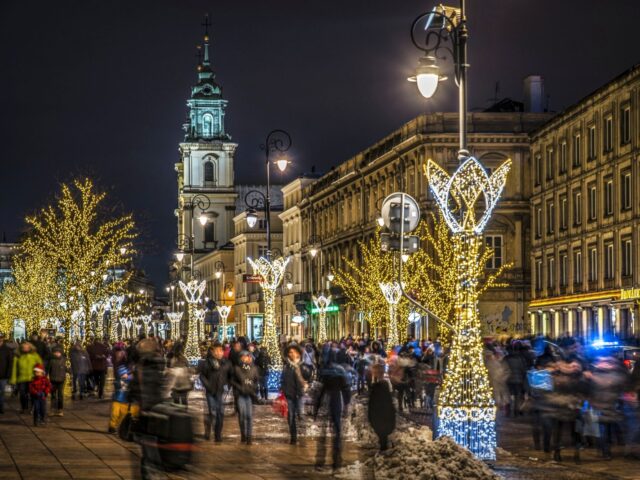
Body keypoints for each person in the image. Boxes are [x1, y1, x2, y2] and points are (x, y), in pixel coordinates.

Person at [314, 351, 351, 470]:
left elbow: (320, 390)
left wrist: (317, 407)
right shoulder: (341, 371)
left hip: (326, 400)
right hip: (336, 400)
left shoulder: (325, 371)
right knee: (337, 432)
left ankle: (320, 460)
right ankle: (336, 460)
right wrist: (346, 404)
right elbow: (346, 389)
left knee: (323, 434)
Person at [199, 342, 231, 442]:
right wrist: (208, 386)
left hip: (220, 391)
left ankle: (218, 434)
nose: (219, 352)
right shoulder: (207, 363)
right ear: (212, 352)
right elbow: (202, 376)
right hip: (210, 391)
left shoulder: (226, 362)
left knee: (220, 413)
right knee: (212, 413)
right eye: (217, 350)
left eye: (220, 350)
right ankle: (208, 429)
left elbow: (230, 374)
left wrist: (229, 384)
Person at [231, 350, 260, 445]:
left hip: (250, 395)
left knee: (249, 416)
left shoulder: (254, 368)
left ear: (250, 357)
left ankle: (249, 437)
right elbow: (232, 381)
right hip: (240, 395)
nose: (244, 358)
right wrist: (240, 387)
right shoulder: (237, 368)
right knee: (242, 416)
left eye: (246, 356)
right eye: (242, 357)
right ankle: (243, 434)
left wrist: (254, 388)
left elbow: (256, 381)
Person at [281, 344, 307, 444]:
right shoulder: (286, 366)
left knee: (300, 414)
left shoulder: (302, 365)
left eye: (293, 352)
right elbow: (283, 379)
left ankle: (303, 434)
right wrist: (283, 389)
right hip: (289, 394)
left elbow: (307, 376)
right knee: (290, 416)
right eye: (290, 352)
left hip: (299, 395)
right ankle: (293, 437)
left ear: (297, 353)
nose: (291, 354)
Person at [368, 364, 396, 450]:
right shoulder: (384, 384)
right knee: (382, 431)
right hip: (383, 412)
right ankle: (384, 445)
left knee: (381, 430)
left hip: (379, 412)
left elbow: (375, 400)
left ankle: (383, 447)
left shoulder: (380, 385)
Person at [10, 341, 43, 414]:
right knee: (22, 394)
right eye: (24, 347)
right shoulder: (18, 356)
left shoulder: (35, 355)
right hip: (22, 378)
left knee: (32, 394)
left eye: (27, 347)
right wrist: (13, 379)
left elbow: (40, 365)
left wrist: (40, 375)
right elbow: (14, 368)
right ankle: (24, 407)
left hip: (32, 378)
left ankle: (32, 408)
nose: (25, 348)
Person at [109, 364, 138, 434]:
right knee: (115, 414)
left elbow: (133, 380)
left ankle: (117, 426)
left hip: (125, 401)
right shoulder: (118, 381)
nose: (124, 375)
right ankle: (112, 427)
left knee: (122, 415)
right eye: (122, 374)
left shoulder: (130, 380)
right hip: (117, 400)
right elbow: (117, 384)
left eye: (124, 373)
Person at [47, 346, 67, 416]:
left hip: (61, 380)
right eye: (56, 352)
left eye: (58, 352)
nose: (57, 354)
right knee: (53, 395)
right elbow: (48, 369)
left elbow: (66, 368)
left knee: (60, 395)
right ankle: (52, 409)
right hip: (53, 379)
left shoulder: (64, 360)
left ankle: (60, 409)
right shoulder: (51, 360)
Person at [0, 334, 13, 414]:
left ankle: (1, 407)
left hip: (3, 374)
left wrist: (8, 374)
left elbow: (10, 363)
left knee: (2, 392)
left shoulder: (7, 349)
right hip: (3, 373)